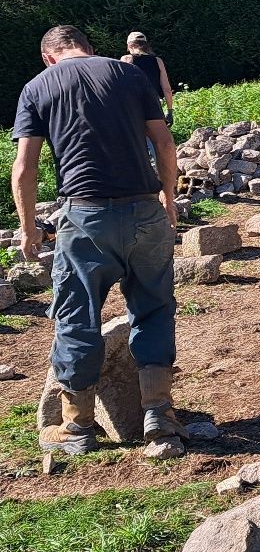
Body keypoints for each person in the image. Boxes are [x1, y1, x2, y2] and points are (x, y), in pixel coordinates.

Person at [11, 26, 185, 456]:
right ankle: (159, 415)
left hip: (85, 216)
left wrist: (29, 227)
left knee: (77, 315)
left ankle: (76, 427)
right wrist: (169, 199)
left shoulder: (37, 87)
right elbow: (164, 142)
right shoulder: (130, 75)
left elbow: (24, 169)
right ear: (89, 49)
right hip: (145, 210)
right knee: (155, 306)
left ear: (48, 57)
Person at [120, 31, 174, 127]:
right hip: (154, 106)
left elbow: (121, 86)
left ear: (130, 46)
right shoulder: (158, 61)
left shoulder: (127, 59)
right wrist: (170, 112)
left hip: (134, 106)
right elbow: (167, 89)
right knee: (157, 140)